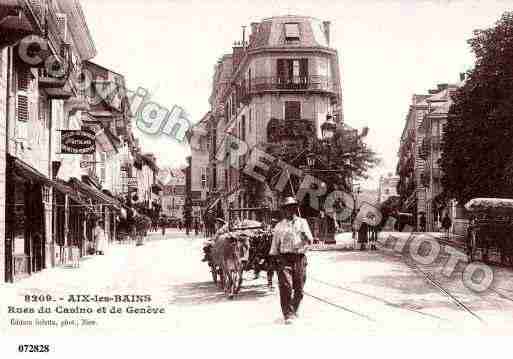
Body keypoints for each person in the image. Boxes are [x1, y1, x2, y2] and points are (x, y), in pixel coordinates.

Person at [270, 197, 313, 324]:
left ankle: (294, 308)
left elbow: (310, 241)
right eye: (287, 208)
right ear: (284, 210)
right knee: (285, 286)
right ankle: (287, 314)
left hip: (299, 258)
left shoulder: (302, 222)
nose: (290, 210)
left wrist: (306, 237)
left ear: (295, 209)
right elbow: (275, 245)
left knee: (299, 289)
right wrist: (274, 259)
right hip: (284, 259)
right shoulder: (279, 226)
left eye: (292, 207)